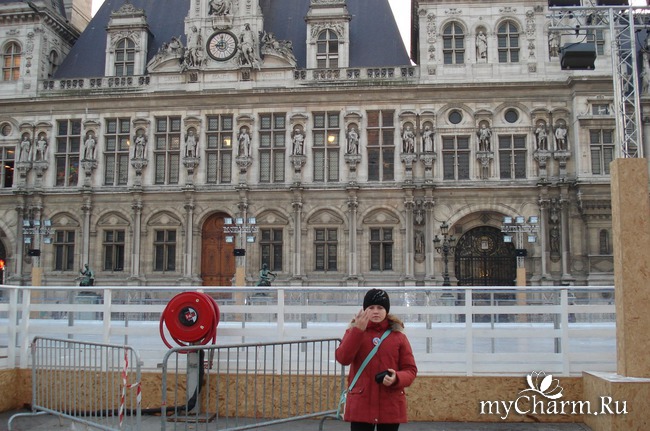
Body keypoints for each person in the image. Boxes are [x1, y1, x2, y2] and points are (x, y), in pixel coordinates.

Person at [335, 289, 417, 431]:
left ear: (386, 311)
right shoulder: (353, 332)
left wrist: (396, 378)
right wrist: (357, 331)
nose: (375, 312)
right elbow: (343, 358)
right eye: (371, 307)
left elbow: (410, 370)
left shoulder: (398, 337)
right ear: (364, 310)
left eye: (380, 308)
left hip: (389, 404)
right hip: (362, 404)